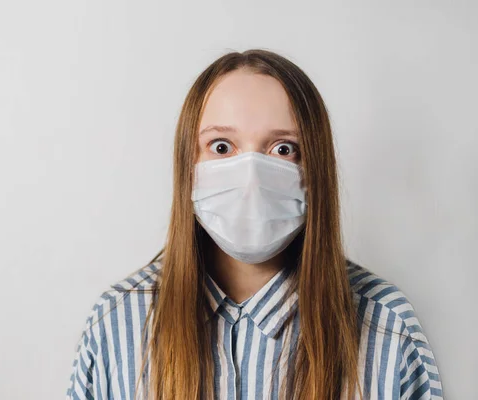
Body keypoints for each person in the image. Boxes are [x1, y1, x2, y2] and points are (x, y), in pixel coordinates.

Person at [65, 49, 443, 400]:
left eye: (283, 149)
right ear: (188, 166)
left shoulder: (386, 327)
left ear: (314, 170)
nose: (251, 177)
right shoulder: (118, 324)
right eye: (221, 146)